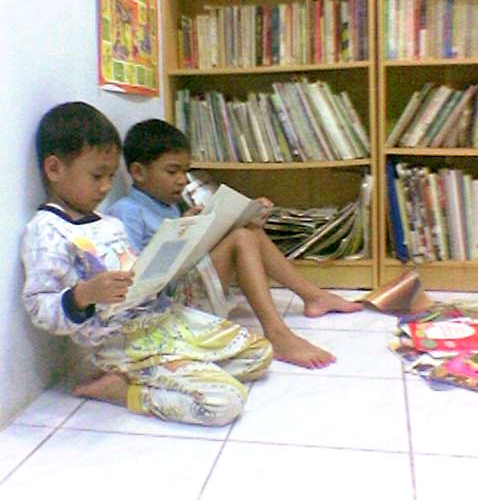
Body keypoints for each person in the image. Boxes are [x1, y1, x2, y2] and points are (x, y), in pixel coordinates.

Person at [22, 102, 273, 427]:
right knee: (224, 402)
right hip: (122, 343)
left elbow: (139, 273)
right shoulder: (46, 231)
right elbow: (39, 305)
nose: (105, 187)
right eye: (97, 176)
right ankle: (127, 390)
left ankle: (176, 368)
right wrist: (84, 295)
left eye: (110, 177)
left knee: (260, 353)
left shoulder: (108, 223)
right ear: (54, 169)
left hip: (162, 320)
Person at [108, 119, 363, 370]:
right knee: (242, 238)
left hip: (189, 284)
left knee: (250, 230)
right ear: (139, 172)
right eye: (172, 171)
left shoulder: (172, 205)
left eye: (185, 171)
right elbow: (134, 272)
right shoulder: (127, 210)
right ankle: (278, 334)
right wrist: (181, 232)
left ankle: (313, 296)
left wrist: (241, 215)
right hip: (167, 304)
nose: (183, 180)